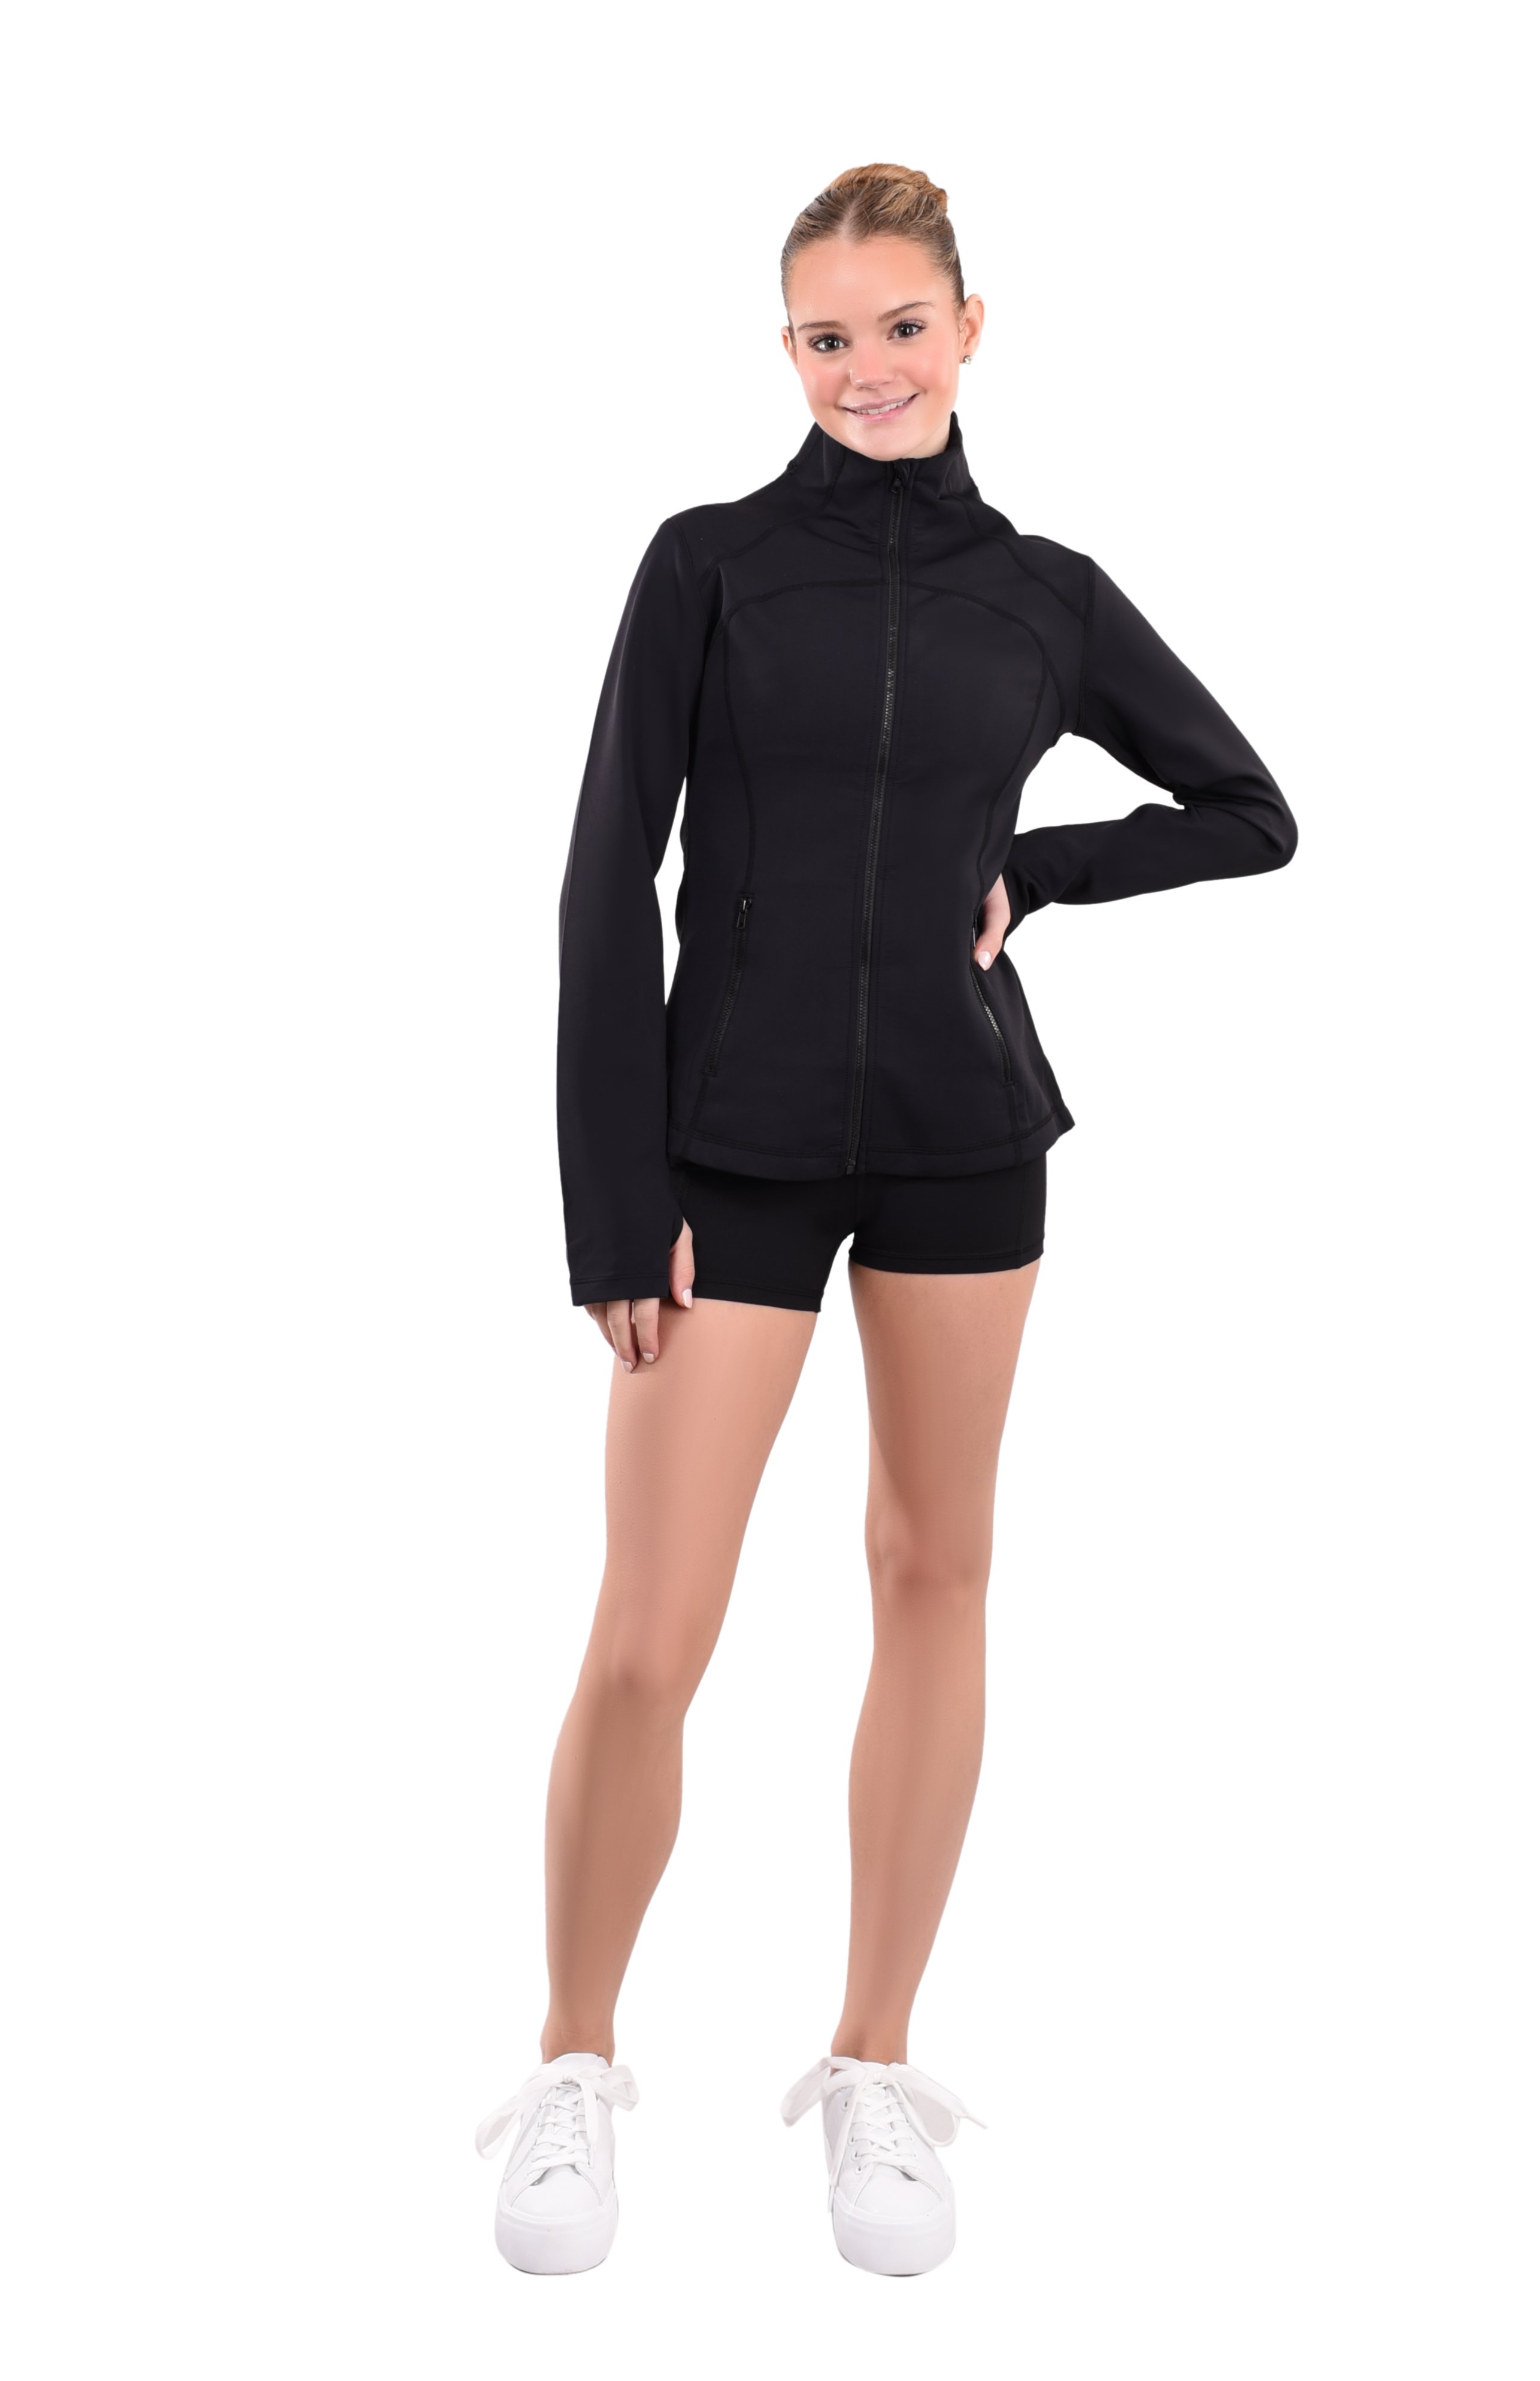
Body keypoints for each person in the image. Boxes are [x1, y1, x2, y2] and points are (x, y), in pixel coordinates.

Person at [472, 160, 1299, 2280]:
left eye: (900, 327)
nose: (866, 368)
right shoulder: (706, 562)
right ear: (787, 353)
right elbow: (604, 875)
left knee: (934, 1571)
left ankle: (873, 2067)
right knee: (651, 1624)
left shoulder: (1050, 592)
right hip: (722, 1155)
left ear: (969, 329)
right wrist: (607, 1202)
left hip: (963, 1141)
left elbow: (1250, 811)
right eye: (826, 337)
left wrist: (1045, 872)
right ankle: (573, 2065)